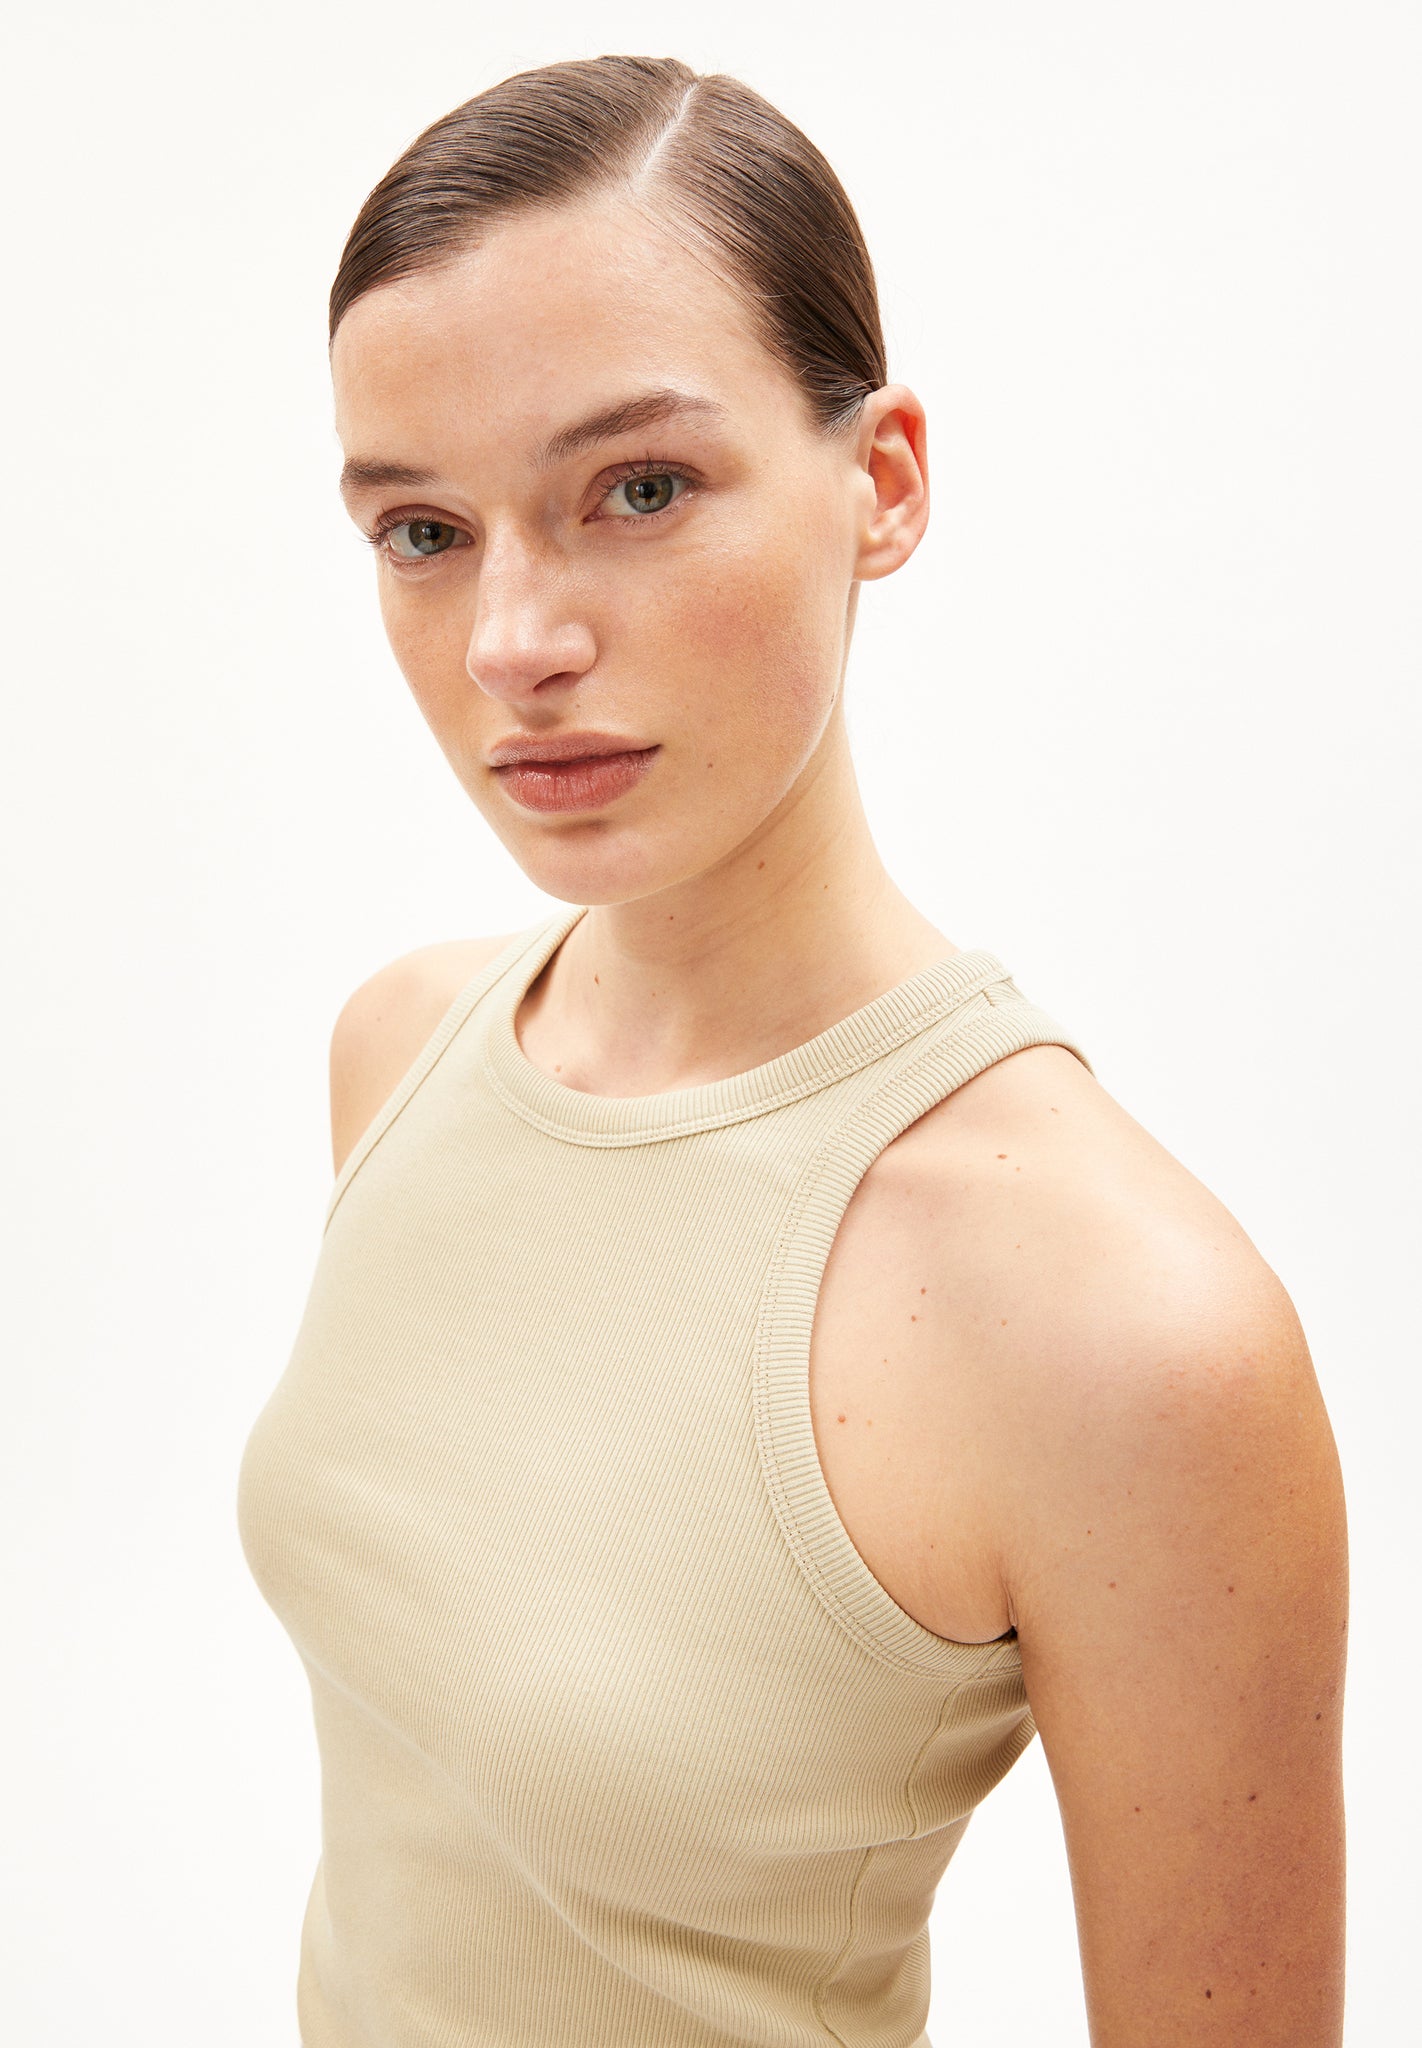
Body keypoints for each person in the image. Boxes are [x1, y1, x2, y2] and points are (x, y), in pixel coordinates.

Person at [236, 53, 1348, 2048]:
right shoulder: (399, 1054)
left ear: (883, 482)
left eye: (639, 489)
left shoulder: (1127, 1325)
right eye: (421, 530)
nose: (513, 640)